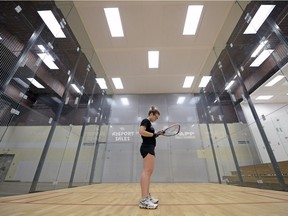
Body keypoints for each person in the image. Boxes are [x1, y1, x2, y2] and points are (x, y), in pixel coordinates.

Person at [138, 106, 163, 209]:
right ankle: (144, 199)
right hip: (147, 148)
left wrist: (157, 134)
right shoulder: (145, 121)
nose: (156, 119)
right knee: (146, 172)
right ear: (152, 114)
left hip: (149, 147)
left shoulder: (150, 124)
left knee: (148, 173)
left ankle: (147, 196)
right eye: (156, 117)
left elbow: (150, 135)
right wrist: (154, 134)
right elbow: (141, 132)